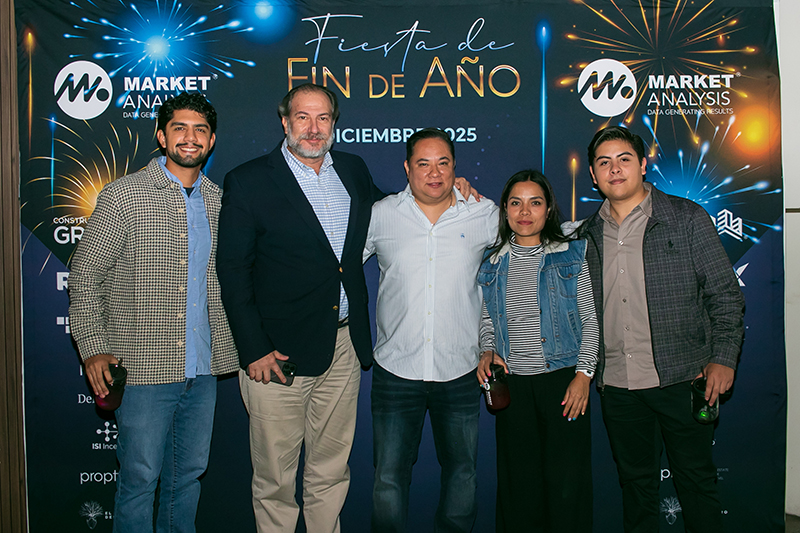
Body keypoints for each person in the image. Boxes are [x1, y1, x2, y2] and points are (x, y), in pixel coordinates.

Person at [68, 92, 239, 533]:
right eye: (180, 128)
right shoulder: (124, 196)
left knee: (188, 478)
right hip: (143, 368)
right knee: (140, 480)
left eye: (200, 130)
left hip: (203, 370)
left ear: (212, 140)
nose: (190, 137)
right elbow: (85, 277)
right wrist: (93, 347)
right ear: (162, 136)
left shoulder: (221, 202)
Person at [578, 126, 745, 532]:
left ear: (642, 164)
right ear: (593, 175)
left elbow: (725, 294)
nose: (615, 169)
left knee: (697, 483)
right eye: (604, 162)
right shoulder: (586, 234)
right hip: (618, 385)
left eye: (624, 159)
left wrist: (724, 358)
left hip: (684, 378)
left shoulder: (686, 217)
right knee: (636, 488)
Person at [363, 128, 498, 532]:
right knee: (388, 478)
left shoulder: (483, 213)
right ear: (407, 168)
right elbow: (337, 265)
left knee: (462, 474)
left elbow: (531, 241)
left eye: (443, 163)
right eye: (423, 163)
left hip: (460, 371)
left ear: (455, 168)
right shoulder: (381, 214)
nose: (434, 173)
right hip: (395, 370)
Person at [476, 170, 598, 532]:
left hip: (563, 383)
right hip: (513, 387)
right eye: (516, 203)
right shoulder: (492, 262)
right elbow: (487, 320)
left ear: (548, 209)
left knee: (567, 490)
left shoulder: (572, 254)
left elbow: (591, 319)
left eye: (535, 203)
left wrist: (583, 375)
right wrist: (486, 350)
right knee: (519, 491)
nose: (525, 212)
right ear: (505, 209)